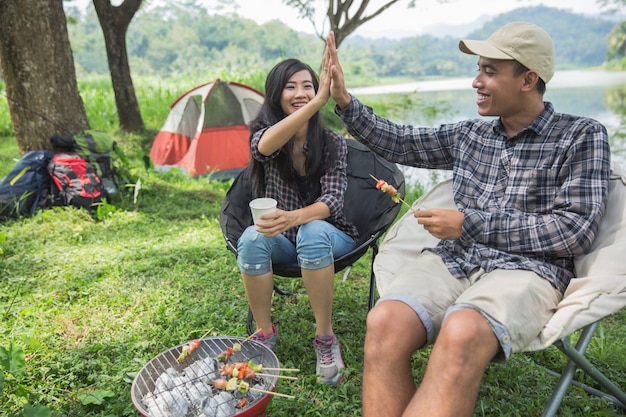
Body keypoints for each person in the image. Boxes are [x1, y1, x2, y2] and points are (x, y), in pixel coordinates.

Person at [325, 22, 611, 416]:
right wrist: (344, 101)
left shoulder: (581, 135)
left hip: (529, 270)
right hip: (455, 260)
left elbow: (575, 230)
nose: (476, 82)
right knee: (385, 321)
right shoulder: (471, 135)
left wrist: (470, 224)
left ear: (528, 79)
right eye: (478, 69)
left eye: (489, 71)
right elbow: (401, 141)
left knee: (461, 330)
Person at [236, 56, 358, 387]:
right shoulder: (265, 135)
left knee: (313, 230)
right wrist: (317, 101)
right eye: (291, 87)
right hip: (284, 243)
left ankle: (325, 339)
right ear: (276, 94)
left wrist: (293, 218)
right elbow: (263, 147)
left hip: (331, 236)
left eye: (308, 86)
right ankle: (264, 333)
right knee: (250, 238)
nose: (300, 93)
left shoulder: (332, 143)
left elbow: (331, 202)